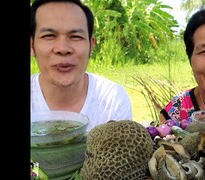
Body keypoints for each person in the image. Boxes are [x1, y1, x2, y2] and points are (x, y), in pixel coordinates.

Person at [30, 0, 133, 132]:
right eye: (49, 36)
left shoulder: (112, 100)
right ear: (32, 45)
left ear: (91, 45)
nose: (63, 49)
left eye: (76, 37)